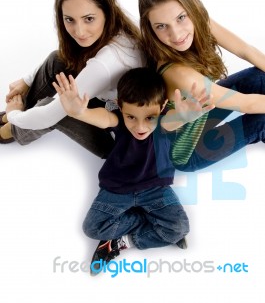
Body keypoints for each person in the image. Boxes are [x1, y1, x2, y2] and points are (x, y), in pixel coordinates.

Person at [51, 67, 214, 275]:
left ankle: (120, 243)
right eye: (131, 117)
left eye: (149, 118)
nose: (140, 127)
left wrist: (185, 117)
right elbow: (103, 118)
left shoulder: (165, 121)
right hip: (117, 189)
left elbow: (173, 121)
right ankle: (148, 219)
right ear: (120, 106)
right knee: (91, 229)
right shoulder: (117, 119)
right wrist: (79, 112)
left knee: (179, 229)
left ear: (163, 106)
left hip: (155, 188)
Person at [0, 0, 143, 158]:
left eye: (88, 19)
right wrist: (27, 80)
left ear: (106, 11)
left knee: (59, 108)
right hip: (110, 103)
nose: (79, 31)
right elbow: (63, 56)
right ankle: (20, 115)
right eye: (69, 20)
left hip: (121, 141)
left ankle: (8, 130)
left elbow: (49, 115)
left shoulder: (106, 63)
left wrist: (13, 114)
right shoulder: (118, 24)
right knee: (57, 59)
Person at [138, 0, 265, 171]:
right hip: (183, 151)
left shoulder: (199, 22)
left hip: (200, 114)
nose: (176, 33)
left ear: (192, 8)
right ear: (151, 28)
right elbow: (247, 104)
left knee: (259, 78)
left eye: (181, 18)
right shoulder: (178, 74)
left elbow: (245, 50)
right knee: (262, 120)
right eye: (161, 26)